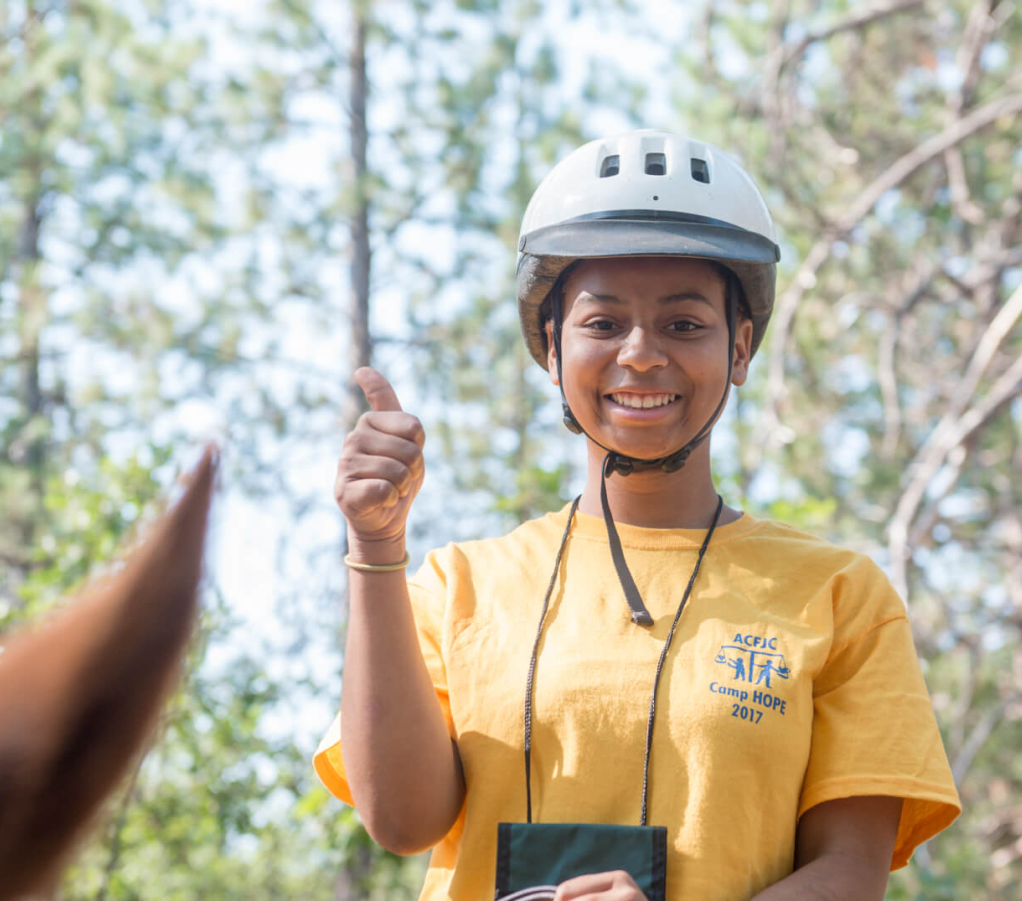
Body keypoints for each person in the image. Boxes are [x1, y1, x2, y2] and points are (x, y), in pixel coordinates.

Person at [315, 130, 960, 900]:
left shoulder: (838, 594)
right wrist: (377, 545)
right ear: (552, 347)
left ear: (741, 348)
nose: (641, 353)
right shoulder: (461, 586)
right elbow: (402, 820)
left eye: (685, 324)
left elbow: (851, 873)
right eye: (602, 323)